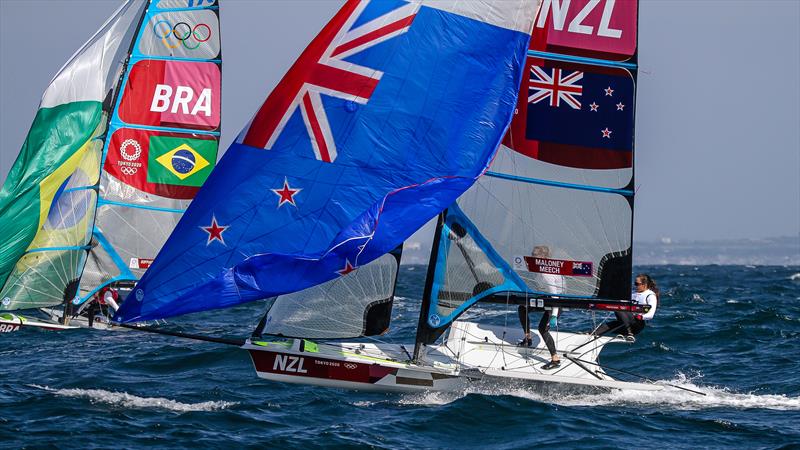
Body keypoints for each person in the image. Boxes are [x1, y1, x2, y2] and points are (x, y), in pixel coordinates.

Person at [517, 245, 564, 370]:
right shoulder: (537, 272)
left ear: (544, 259)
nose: (532, 260)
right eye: (532, 257)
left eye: (535, 257)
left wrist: (554, 316)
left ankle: (555, 359)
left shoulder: (547, 274)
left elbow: (555, 297)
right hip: (545, 300)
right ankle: (528, 339)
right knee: (522, 308)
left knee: (542, 328)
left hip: (556, 303)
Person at [594, 273, 659, 339]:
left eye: (637, 284)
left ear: (644, 285)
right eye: (635, 283)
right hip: (625, 322)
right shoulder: (633, 294)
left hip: (637, 324)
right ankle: (590, 335)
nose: (635, 286)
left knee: (619, 308)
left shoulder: (650, 295)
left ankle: (629, 333)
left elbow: (651, 315)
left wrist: (641, 317)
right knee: (605, 326)